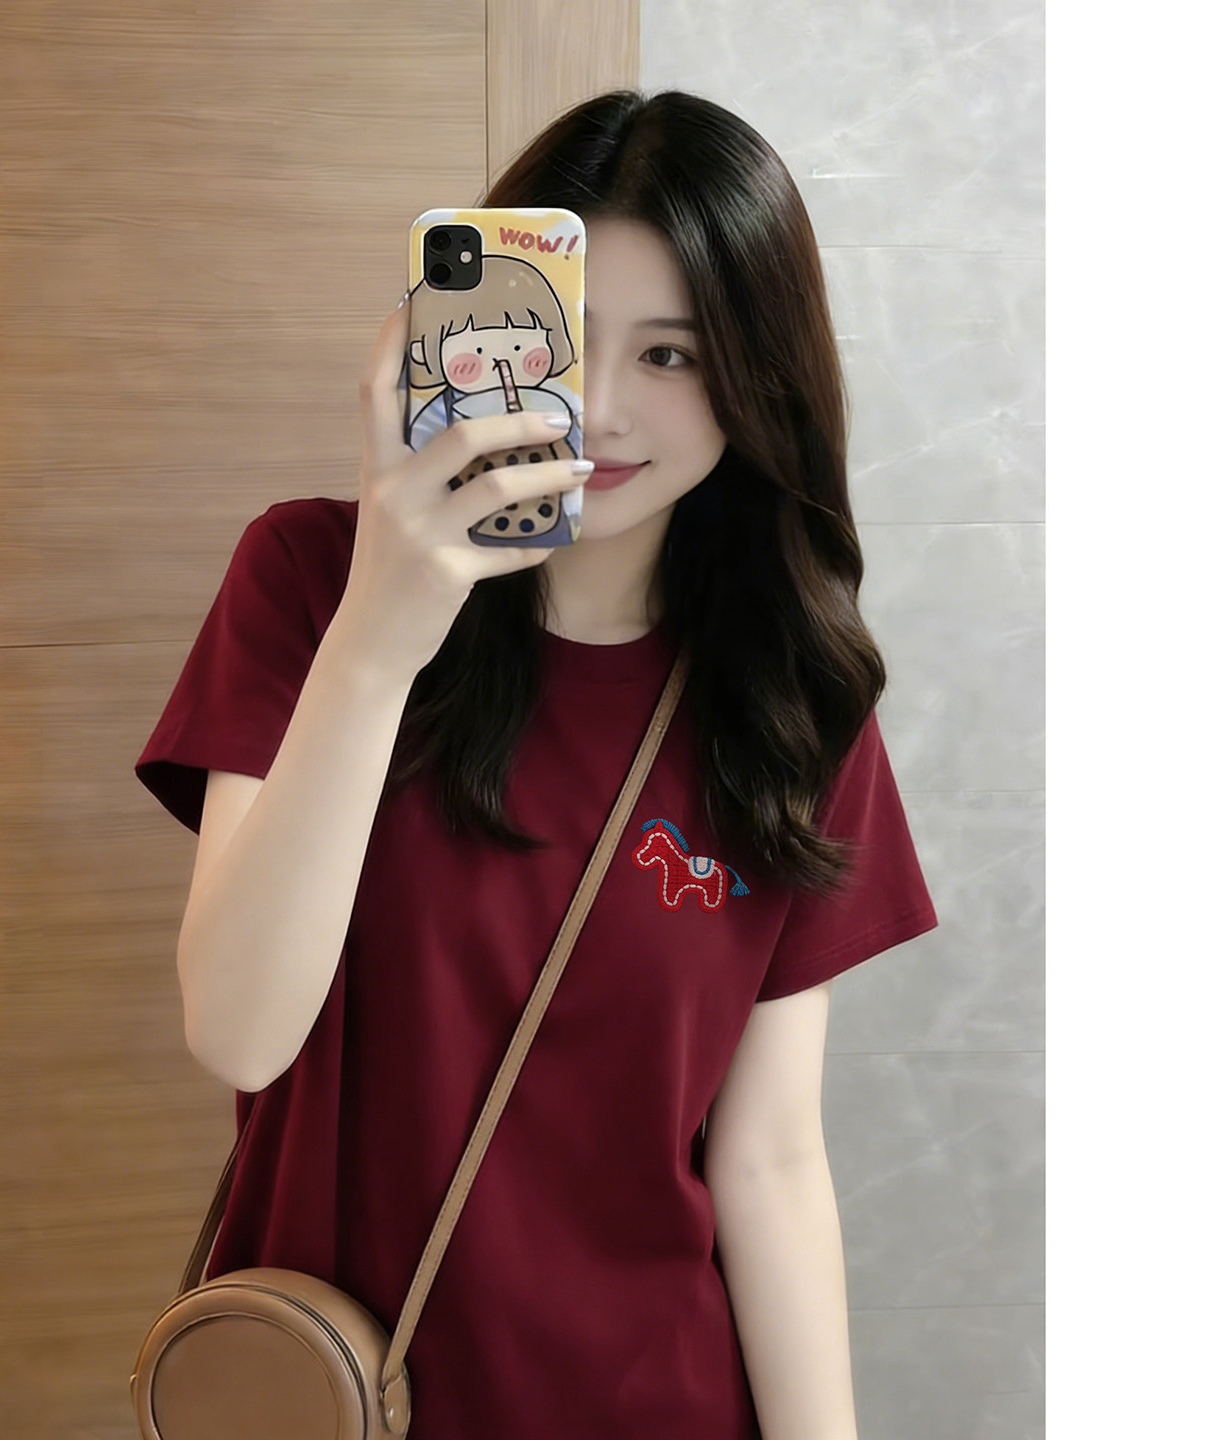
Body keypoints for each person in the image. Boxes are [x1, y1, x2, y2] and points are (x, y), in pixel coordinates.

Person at [137, 89, 938, 1440]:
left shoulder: (789, 700)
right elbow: (239, 1030)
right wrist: (381, 635)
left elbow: (770, 1158)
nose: (602, 412)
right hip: (344, 1402)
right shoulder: (309, 583)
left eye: (673, 354)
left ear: (759, 378)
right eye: (562, 342)